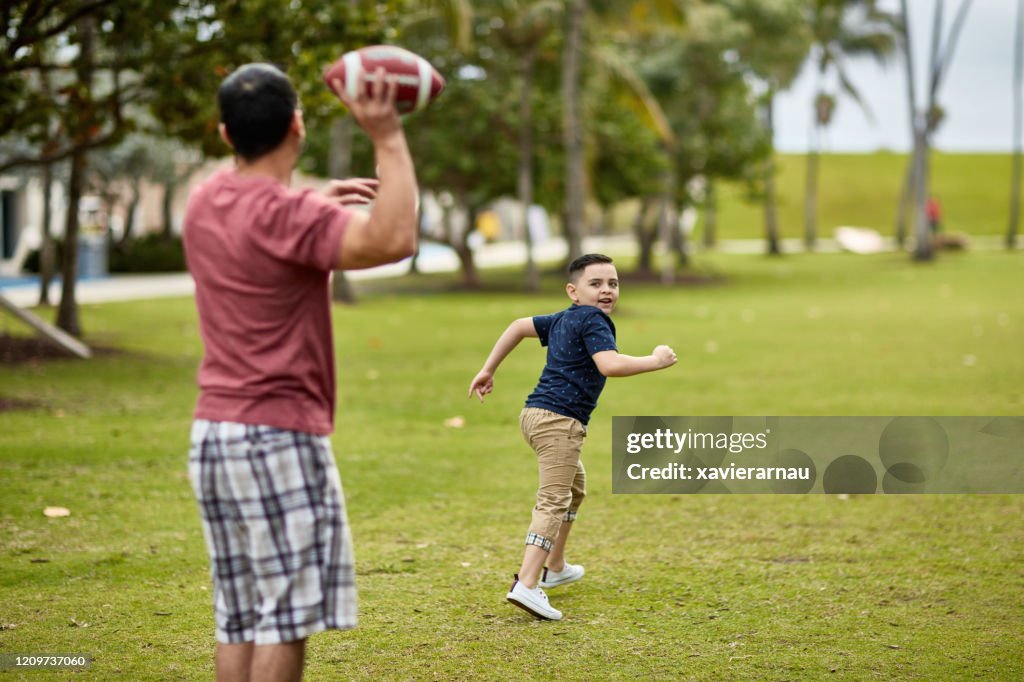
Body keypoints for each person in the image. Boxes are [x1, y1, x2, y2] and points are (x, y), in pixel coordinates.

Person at [183, 62, 417, 681]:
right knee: (282, 623)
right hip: (278, 436)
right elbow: (393, 238)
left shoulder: (206, 199)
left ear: (226, 135)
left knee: (239, 616)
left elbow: (260, 221)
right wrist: (387, 135)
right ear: (297, 125)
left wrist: (310, 204)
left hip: (214, 435)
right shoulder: (294, 220)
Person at [468, 254, 677, 621]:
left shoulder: (565, 317)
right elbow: (609, 365)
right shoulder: (594, 319)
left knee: (574, 489)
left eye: (612, 283)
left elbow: (517, 326)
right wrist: (655, 360)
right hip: (559, 423)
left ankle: (554, 566)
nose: (606, 290)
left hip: (534, 416)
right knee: (553, 500)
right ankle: (528, 583)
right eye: (595, 284)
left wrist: (488, 369)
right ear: (574, 291)